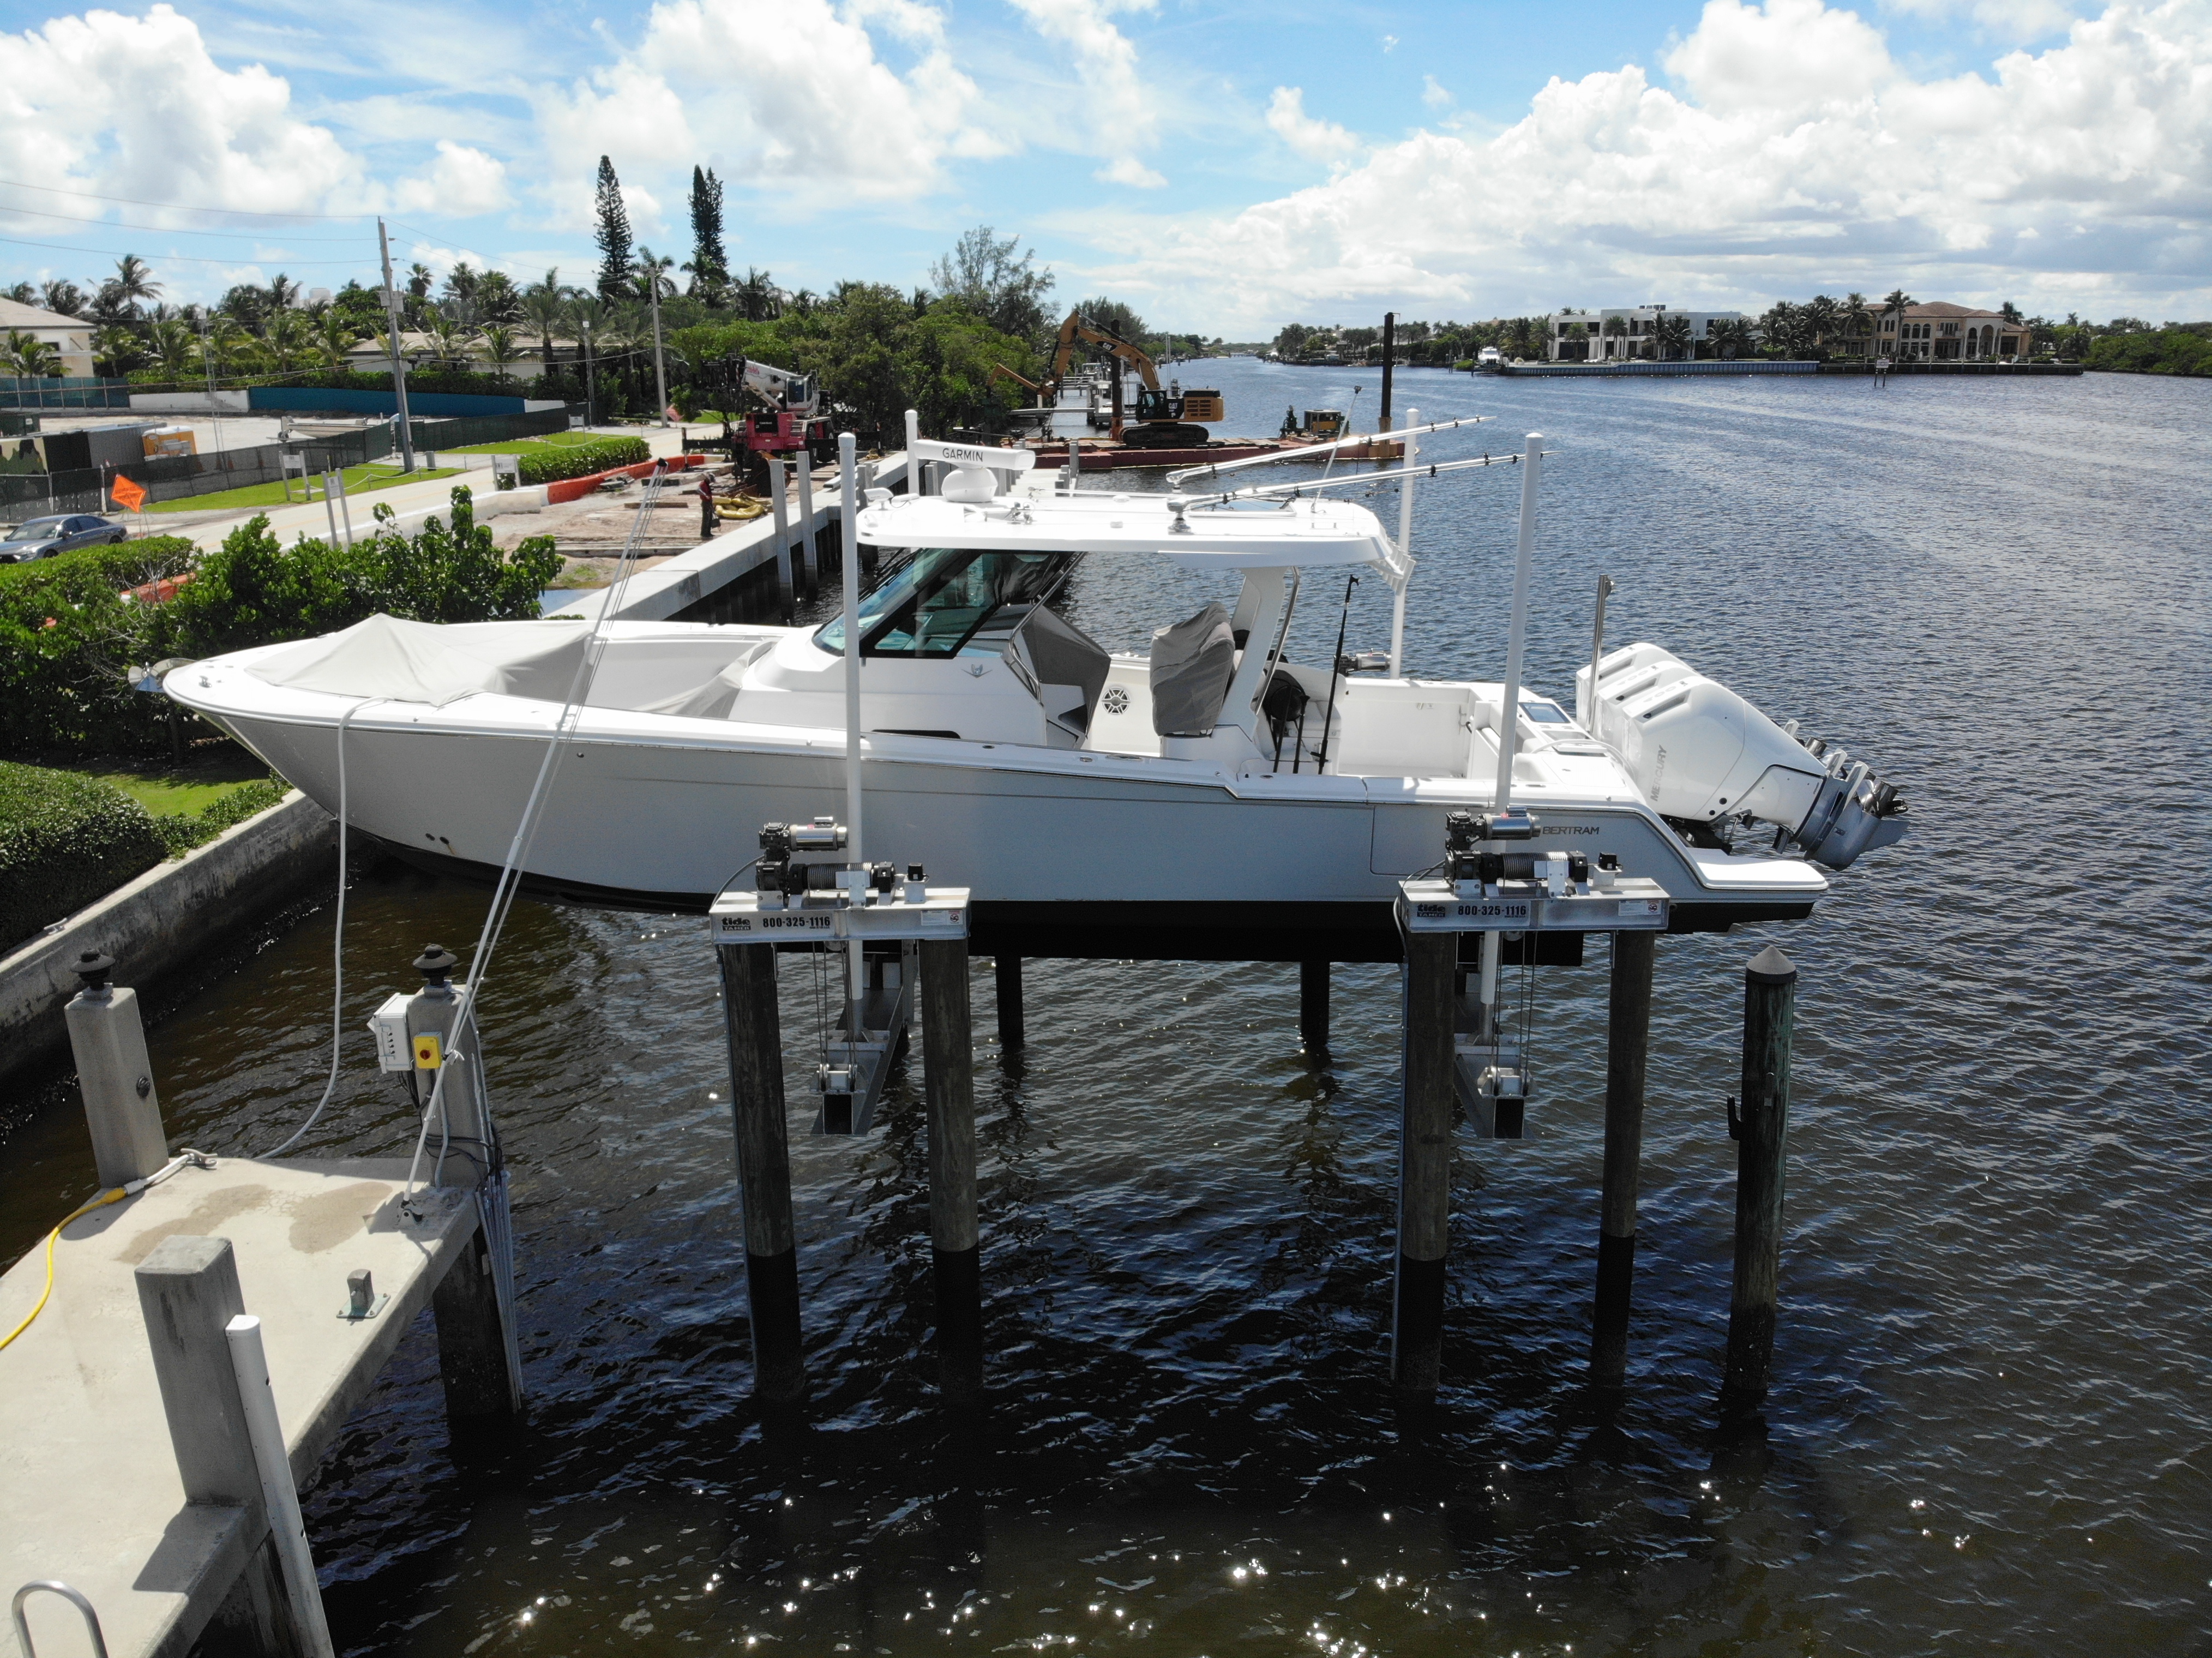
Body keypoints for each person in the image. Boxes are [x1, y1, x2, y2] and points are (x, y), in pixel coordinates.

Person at [699, 474, 717, 539]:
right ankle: (704, 533)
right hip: (705, 503)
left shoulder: (707, 484)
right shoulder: (703, 484)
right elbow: (698, 490)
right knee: (706, 518)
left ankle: (708, 532)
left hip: (709, 502)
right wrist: (705, 495)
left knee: (710, 518)